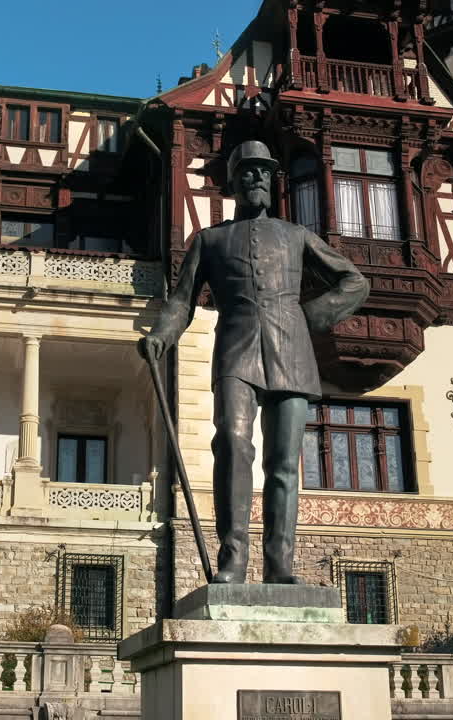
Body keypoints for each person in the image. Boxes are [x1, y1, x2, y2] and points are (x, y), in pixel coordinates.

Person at [141, 140, 368, 584]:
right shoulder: (210, 240)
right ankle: (233, 560)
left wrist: (308, 316)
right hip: (236, 349)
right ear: (234, 182)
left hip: (292, 353)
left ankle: (280, 564)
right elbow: (181, 302)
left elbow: (354, 281)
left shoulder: (295, 235)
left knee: (283, 462)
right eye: (248, 172)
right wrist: (161, 336)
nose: (257, 178)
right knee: (231, 443)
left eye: (264, 171)